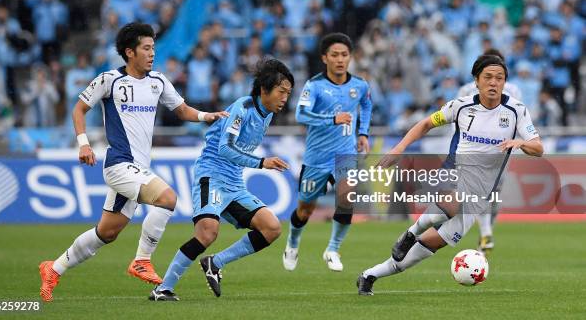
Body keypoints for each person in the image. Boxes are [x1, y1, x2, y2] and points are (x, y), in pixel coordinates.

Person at [38, 23, 228, 302]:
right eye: (146, 48)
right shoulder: (109, 80)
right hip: (118, 164)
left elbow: (182, 109)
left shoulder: (158, 82)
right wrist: (84, 144)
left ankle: (53, 268)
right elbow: (79, 109)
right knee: (167, 198)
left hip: (138, 169)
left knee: (107, 232)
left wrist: (206, 116)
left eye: (153, 48)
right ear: (130, 52)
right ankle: (142, 260)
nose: (152, 53)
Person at [357, 54, 543, 296]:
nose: (494, 83)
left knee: (426, 248)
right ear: (476, 80)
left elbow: (538, 148)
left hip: (481, 193)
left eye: (499, 78)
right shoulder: (461, 106)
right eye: (488, 77)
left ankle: (369, 275)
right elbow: (425, 124)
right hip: (455, 171)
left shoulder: (516, 110)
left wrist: (520, 142)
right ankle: (411, 233)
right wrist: (399, 149)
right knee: (455, 200)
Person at [150, 59, 294, 301]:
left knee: (271, 228)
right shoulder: (243, 109)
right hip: (212, 175)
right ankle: (163, 288)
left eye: (288, 93)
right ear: (264, 89)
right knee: (207, 233)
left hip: (234, 183)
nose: (285, 98)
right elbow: (225, 149)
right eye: (281, 92)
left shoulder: (266, 114)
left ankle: (215, 263)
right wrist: (262, 163)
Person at [283, 33, 372, 272]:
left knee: (346, 200)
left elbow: (366, 103)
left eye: (344, 55)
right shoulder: (314, 86)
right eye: (335, 55)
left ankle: (332, 249)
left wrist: (362, 133)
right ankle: (292, 242)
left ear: (350, 57)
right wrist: (332, 118)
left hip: (345, 154)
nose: (340, 59)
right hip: (317, 158)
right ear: (325, 58)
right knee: (305, 210)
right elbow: (301, 115)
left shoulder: (360, 85)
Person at [456, 48, 523, 253]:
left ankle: (486, 232)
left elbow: (519, 115)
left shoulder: (512, 90)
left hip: (500, 150)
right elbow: (456, 119)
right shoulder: (467, 90)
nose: (494, 80)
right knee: (481, 192)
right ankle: (486, 233)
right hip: (474, 149)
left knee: (494, 194)